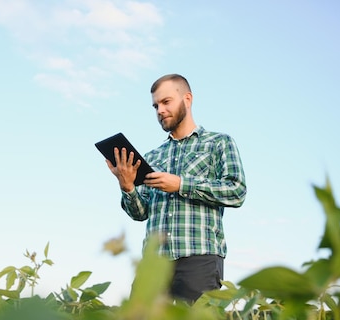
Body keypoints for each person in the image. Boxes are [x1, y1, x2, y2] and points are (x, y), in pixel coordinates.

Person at [105, 74, 247, 303]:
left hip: (199, 258)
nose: (160, 110)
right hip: (154, 264)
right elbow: (140, 213)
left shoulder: (218, 143)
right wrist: (127, 186)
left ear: (187, 99)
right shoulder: (152, 156)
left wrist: (181, 184)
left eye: (166, 102)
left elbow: (236, 190)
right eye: (155, 106)